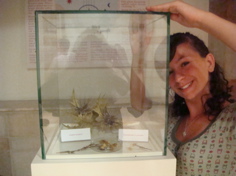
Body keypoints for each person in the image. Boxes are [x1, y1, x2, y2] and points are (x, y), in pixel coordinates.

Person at [130, 1, 236, 175]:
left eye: (185, 63)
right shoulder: (174, 116)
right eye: (170, 71)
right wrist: (137, 54)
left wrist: (200, 20)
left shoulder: (230, 120)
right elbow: (138, 103)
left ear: (209, 62)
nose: (178, 78)